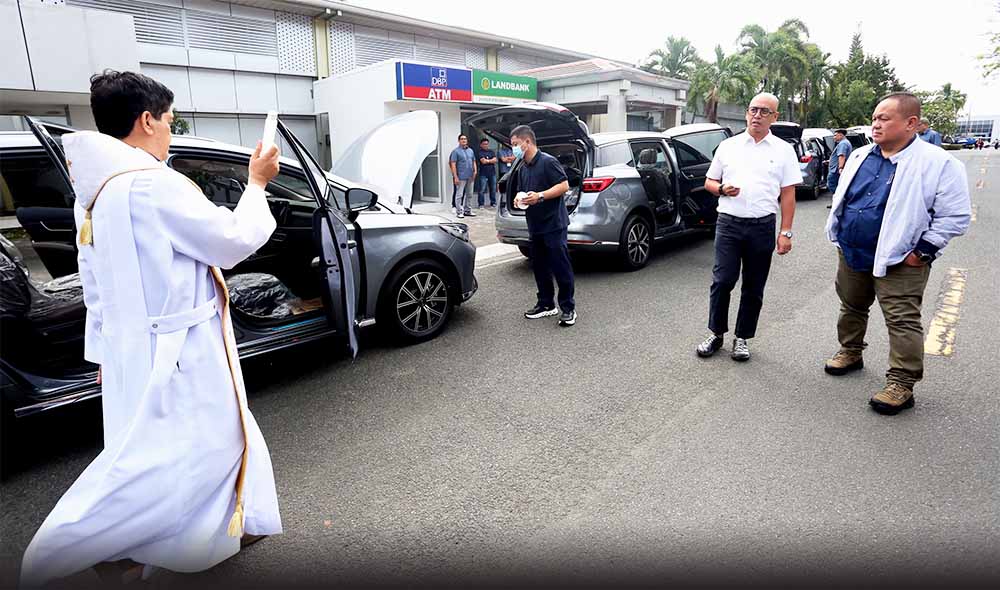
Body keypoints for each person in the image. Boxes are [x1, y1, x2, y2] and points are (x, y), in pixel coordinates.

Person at [20, 71, 282, 586]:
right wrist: (256, 184)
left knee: (183, 449)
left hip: (130, 349)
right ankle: (87, 547)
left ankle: (222, 528)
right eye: (167, 121)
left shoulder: (93, 193)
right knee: (173, 458)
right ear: (146, 120)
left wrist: (102, 354)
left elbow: (94, 285)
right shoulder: (154, 184)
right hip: (182, 350)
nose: (169, 131)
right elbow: (231, 240)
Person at [823, 92, 970, 414]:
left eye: (884, 118)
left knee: (902, 319)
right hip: (852, 250)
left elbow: (955, 216)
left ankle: (902, 382)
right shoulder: (860, 155)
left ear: (911, 123)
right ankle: (851, 351)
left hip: (902, 258)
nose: (875, 124)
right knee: (852, 305)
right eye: (874, 118)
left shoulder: (939, 163)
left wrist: (922, 252)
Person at [696, 92, 801, 362]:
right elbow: (709, 182)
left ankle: (742, 338)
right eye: (754, 110)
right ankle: (716, 333)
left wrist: (785, 232)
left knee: (754, 286)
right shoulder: (728, 146)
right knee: (722, 281)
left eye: (765, 111)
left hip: (762, 226)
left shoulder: (783, 150)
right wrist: (721, 189)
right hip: (729, 225)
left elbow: (788, 194)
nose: (757, 115)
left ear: (775, 117)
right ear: (746, 113)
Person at [511, 124, 576, 327]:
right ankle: (546, 304)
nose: (513, 148)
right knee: (540, 267)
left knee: (560, 266)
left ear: (527, 141)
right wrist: (518, 199)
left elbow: (564, 185)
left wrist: (540, 196)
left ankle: (568, 308)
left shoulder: (548, 162)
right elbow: (523, 192)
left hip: (554, 224)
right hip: (535, 225)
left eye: (515, 144)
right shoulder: (522, 168)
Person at [449, 134, 476, 218]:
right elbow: (453, 164)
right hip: (461, 177)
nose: (464, 140)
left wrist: (475, 171)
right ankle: (459, 212)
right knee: (459, 195)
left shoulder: (471, 151)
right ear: (459, 141)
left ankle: (468, 211)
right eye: (462, 139)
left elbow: (473, 161)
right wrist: (455, 176)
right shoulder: (455, 151)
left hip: (470, 176)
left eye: (465, 139)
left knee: (470, 194)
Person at [827, 128, 853, 195]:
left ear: (841, 135)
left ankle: (838, 198)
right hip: (837, 169)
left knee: (831, 184)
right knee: (838, 185)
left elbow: (842, 156)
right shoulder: (845, 142)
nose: (834, 137)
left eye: (835, 135)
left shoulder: (843, 144)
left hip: (836, 170)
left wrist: (840, 167)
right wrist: (830, 161)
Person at [476, 138, 498, 208]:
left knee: (493, 189)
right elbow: (483, 161)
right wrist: (490, 161)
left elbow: (495, 160)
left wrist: (487, 161)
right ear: (481, 145)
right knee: (482, 189)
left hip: (492, 173)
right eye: (484, 144)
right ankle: (481, 204)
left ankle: (493, 203)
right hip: (483, 174)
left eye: (487, 144)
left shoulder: (491, 152)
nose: (486, 145)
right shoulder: (480, 152)